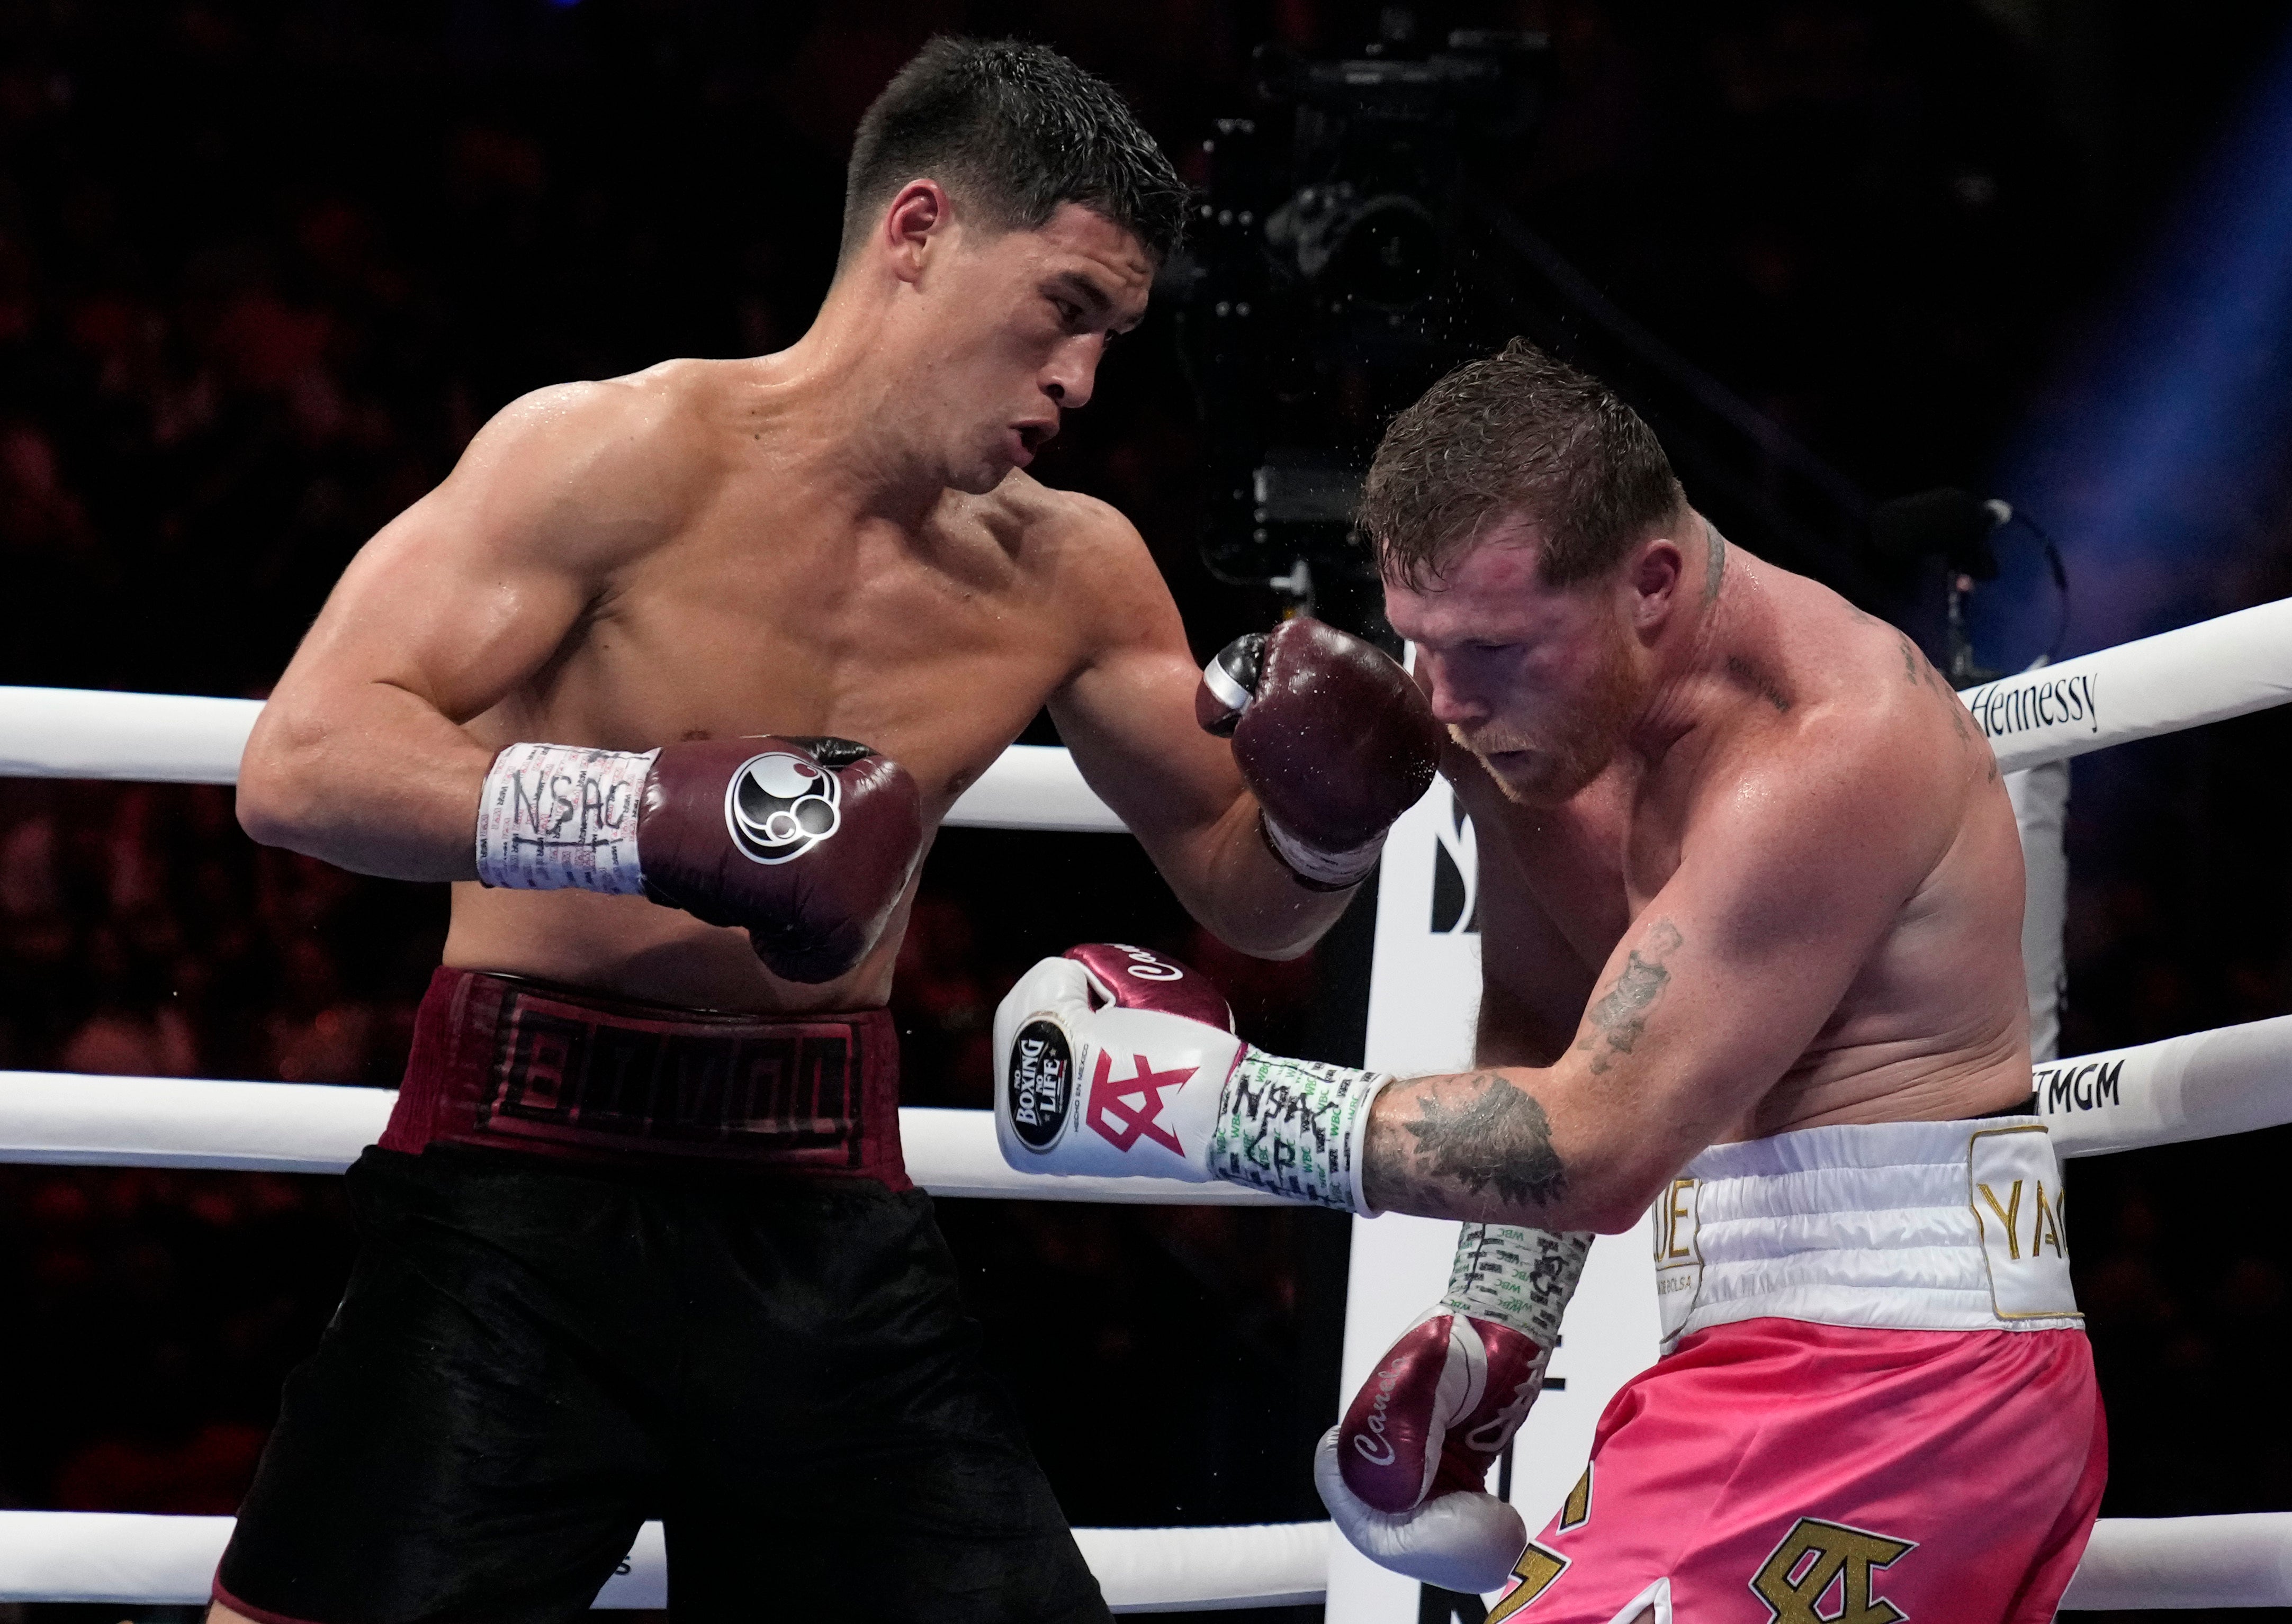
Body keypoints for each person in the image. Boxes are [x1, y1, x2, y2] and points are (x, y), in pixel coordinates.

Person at [220, 37, 1440, 1624]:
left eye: (1113, 338)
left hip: (822, 1212)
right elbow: (302, 761)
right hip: (517, 1189)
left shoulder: (1067, 570)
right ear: (917, 232)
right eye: (1063, 308)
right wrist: (646, 817)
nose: (1078, 381)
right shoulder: (613, 456)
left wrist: (1331, 820)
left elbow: (1254, 895)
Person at [995, 339, 2104, 1623]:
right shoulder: (1527, 729)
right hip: (1755, 1362)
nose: (1446, 703)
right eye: (1421, 644)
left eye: (1494, 648)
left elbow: (1598, 1144)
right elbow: (1557, 1028)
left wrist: (1190, 1104)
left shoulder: (1831, 743)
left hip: (1907, 1380)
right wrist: (1496, 1320)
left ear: (1650, 584)